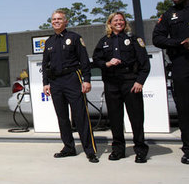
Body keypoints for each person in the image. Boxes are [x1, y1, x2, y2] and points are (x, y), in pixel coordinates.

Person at [93, 12, 150, 163]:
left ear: (125, 23)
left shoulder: (133, 39)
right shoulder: (104, 41)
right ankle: (118, 149)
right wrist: (107, 63)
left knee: (136, 118)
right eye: (115, 20)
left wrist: (139, 82)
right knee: (115, 118)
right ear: (110, 24)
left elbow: (144, 64)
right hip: (111, 83)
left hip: (130, 83)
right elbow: (96, 60)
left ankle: (140, 150)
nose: (118, 22)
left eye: (121, 20)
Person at [42, 10, 98, 163]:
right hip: (55, 82)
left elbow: (84, 61)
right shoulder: (49, 42)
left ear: (66, 21)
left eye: (59, 19)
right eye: (54, 19)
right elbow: (45, 64)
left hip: (72, 79)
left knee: (80, 116)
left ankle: (90, 150)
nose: (56, 21)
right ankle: (69, 147)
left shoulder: (74, 38)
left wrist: (86, 80)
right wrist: (45, 83)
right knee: (62, 118)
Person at [153, 0, 189, 165]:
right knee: (185, 108)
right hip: (181, 63)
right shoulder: (169, 14)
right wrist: (179, 43)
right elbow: (157, 38)